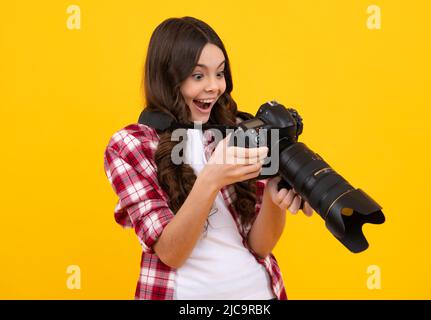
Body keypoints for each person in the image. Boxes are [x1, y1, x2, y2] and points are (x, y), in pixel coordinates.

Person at [103, 16, 313, 300]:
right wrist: (212, 178)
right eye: (198, 76)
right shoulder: (131, 144)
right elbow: (171, 253)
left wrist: (275, 201)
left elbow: (260, 246)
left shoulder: (236, 130)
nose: (214, 87)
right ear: (168, 79)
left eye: (220, 73)